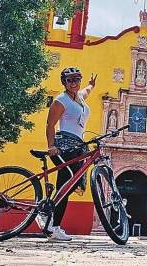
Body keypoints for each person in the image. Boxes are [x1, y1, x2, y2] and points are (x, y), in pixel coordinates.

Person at [45, 66, 97, 241]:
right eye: (70, 80)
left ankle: (52, 224)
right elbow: (50, 125)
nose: (74, 83)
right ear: (64, 82)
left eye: (76, 79)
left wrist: (91, 85)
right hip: (63, 145)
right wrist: (51, 146)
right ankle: (52, 223)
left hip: (77, 146)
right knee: (67, 181)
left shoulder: (79, 98)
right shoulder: (61, 100)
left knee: (68, 185)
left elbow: (86, 92)